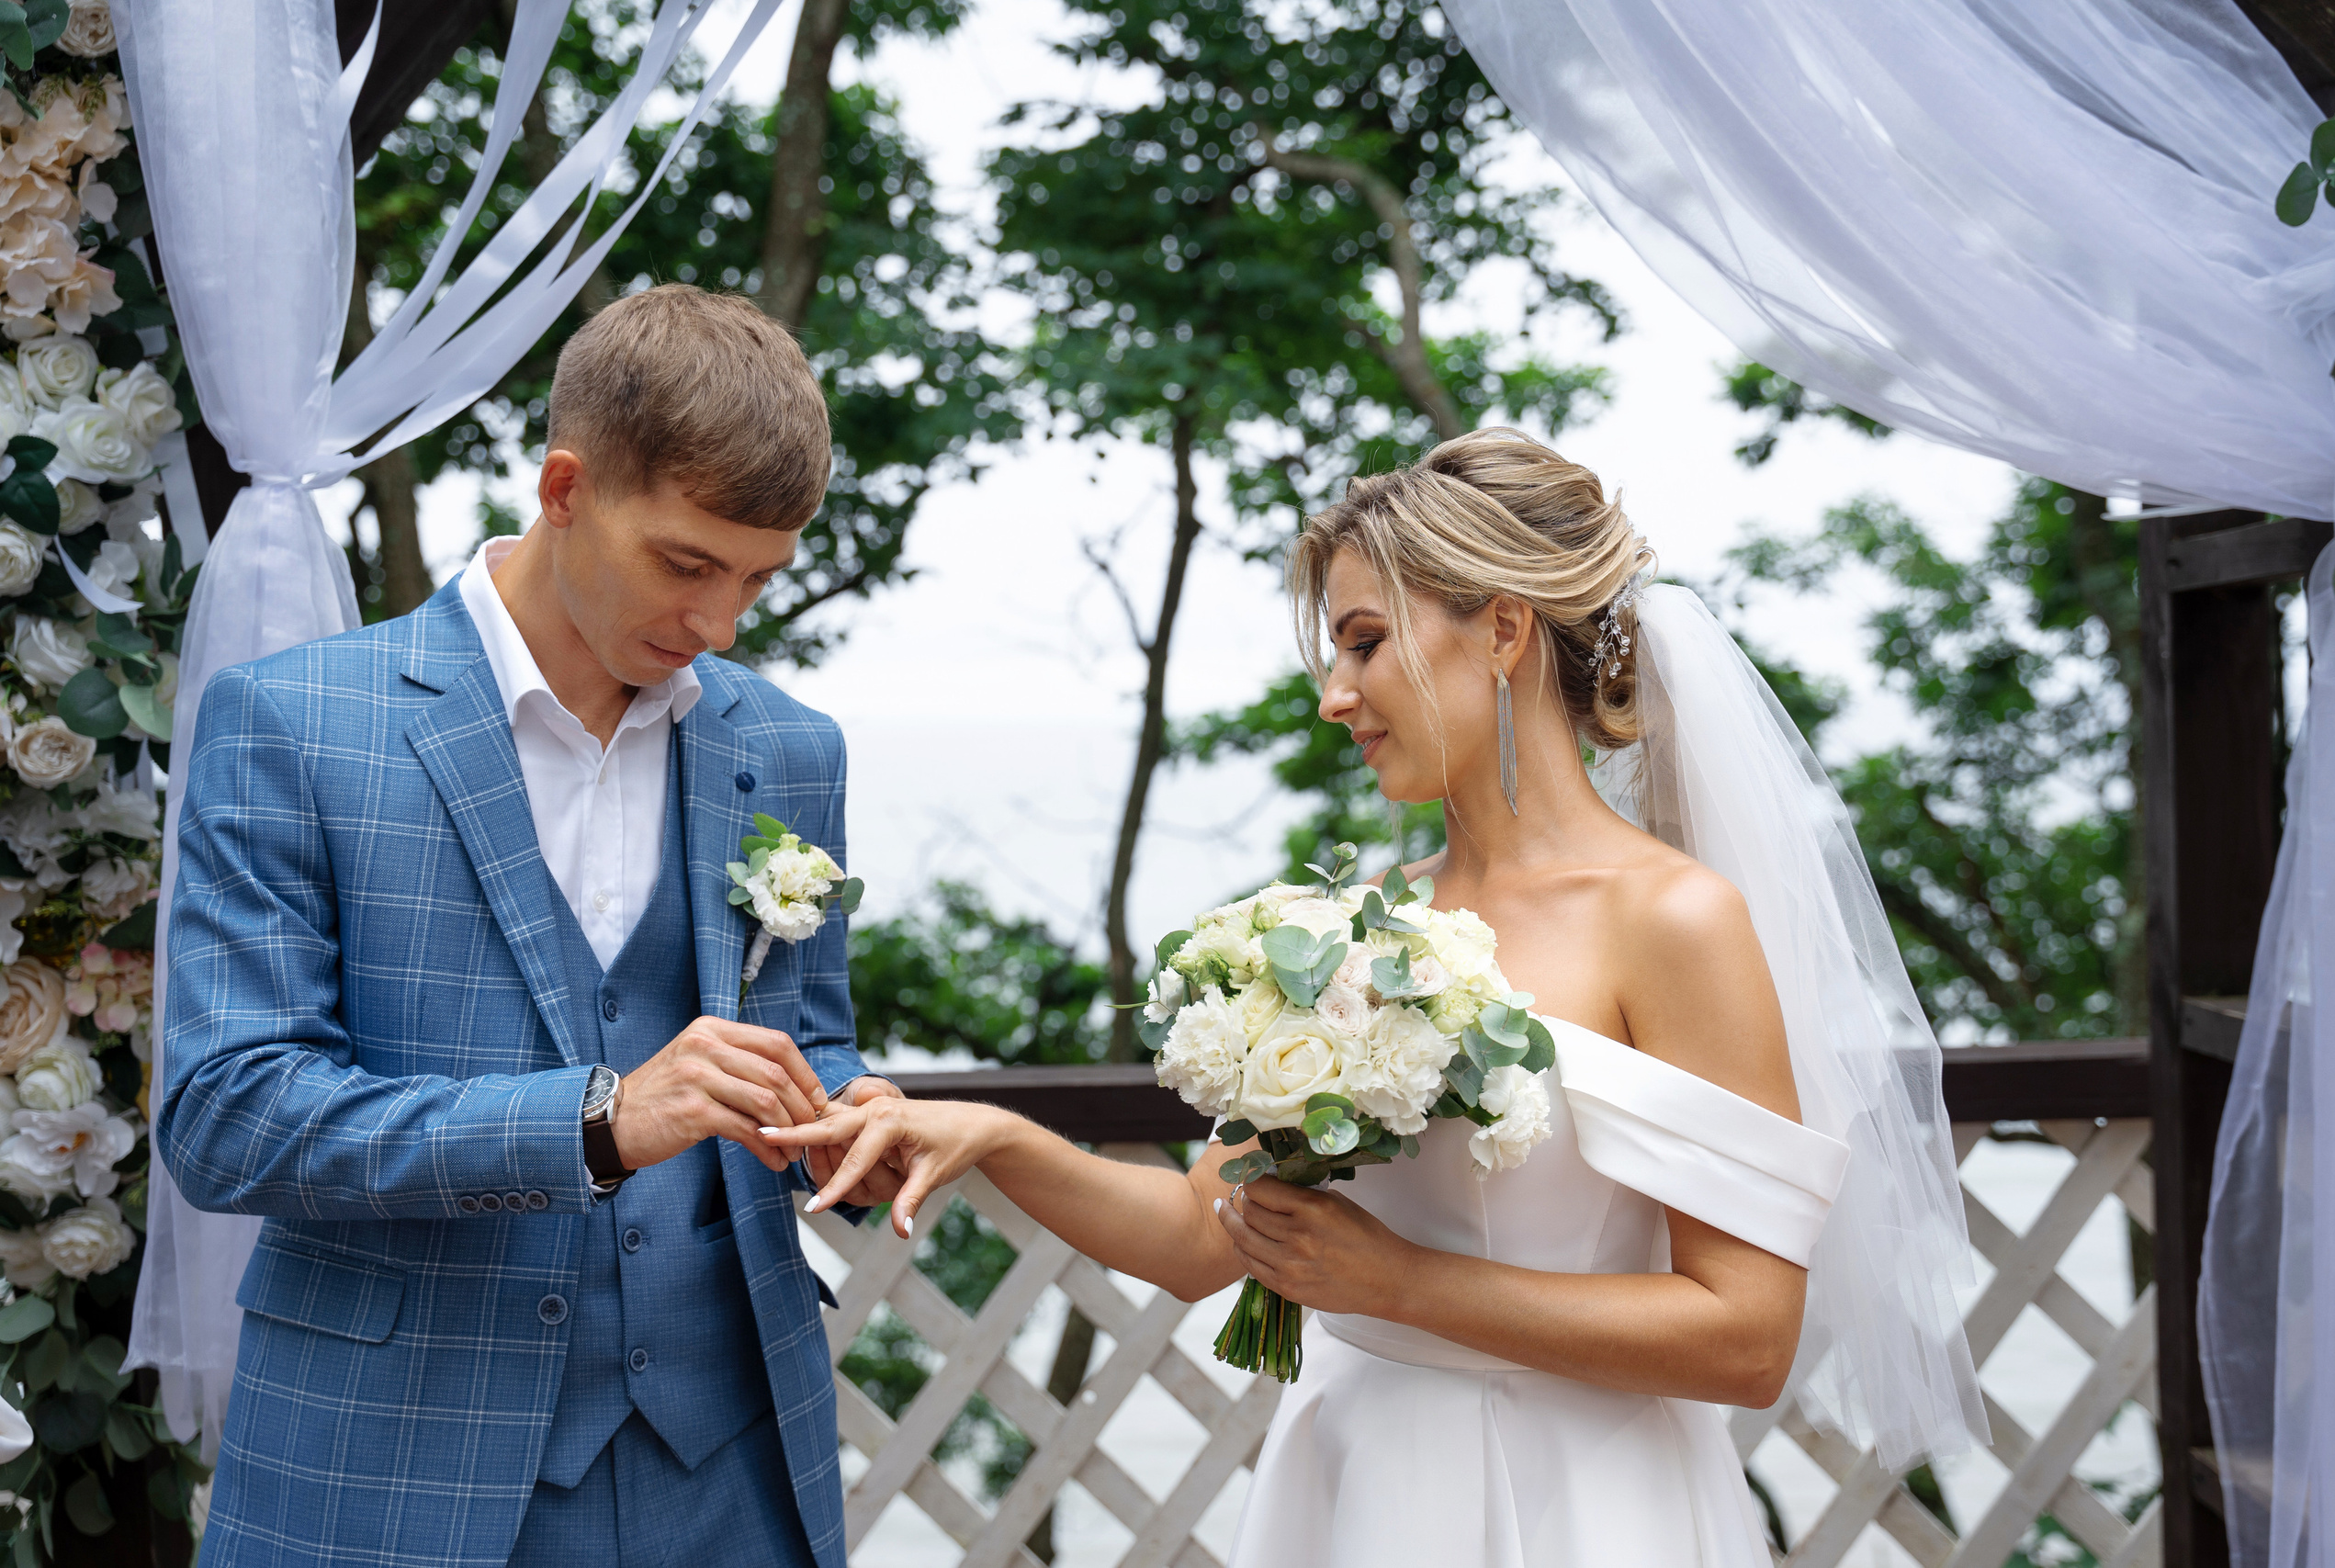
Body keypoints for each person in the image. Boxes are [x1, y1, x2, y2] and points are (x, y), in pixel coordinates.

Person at [770, 429, 1986, 1564]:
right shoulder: (1351, 934)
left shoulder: (1675, 921)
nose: (1334, 696)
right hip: (1356, 1493)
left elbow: (1749, 1337)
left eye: (1364, 644)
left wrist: (1403, 1288)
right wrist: (988, 1136)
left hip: (1583, 1503)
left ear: (1502, 630)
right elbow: (1198, 1239)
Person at [157, 285, 903, 1568]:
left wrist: (846, 1119)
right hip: (394, 1467)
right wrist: (596, 1124)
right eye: (687, 565)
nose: (719, 626)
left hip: (730, 1472)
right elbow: (227, 1117)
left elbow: (805, 1039)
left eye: (757, 579)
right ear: (565, 489)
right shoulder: (294, 722)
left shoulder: (789, 748)